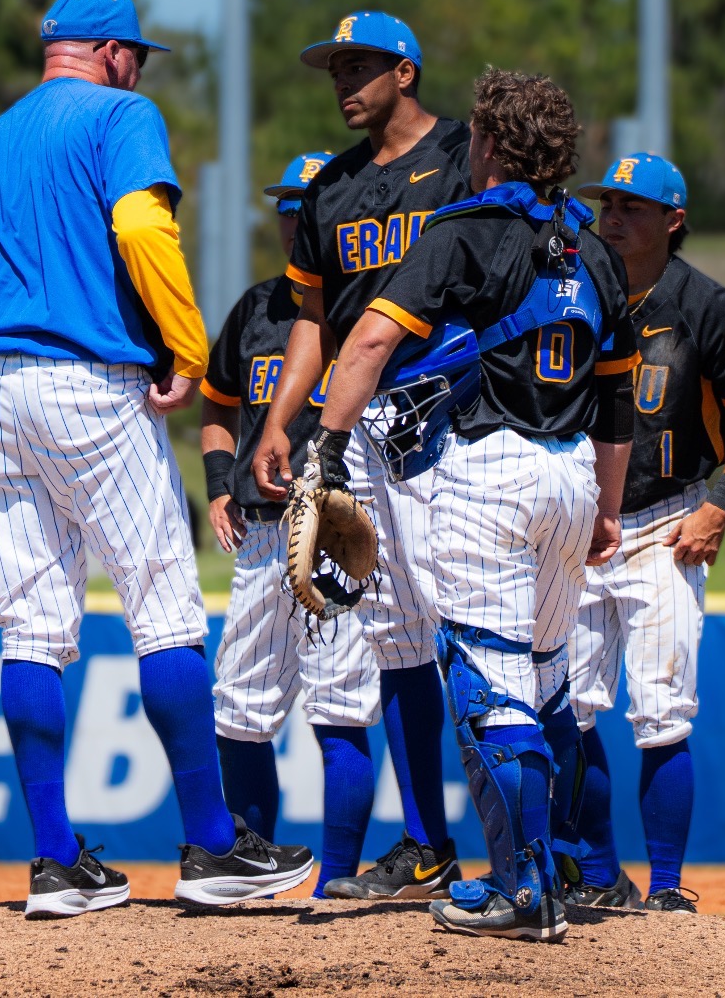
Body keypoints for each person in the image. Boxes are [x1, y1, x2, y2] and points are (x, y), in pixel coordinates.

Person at [0, 0, 311, 918]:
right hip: (92, 381)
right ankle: (214, 847)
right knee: (165, 608)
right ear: (108, 51)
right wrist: (185, 344)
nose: (137, 65)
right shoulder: (121, 113)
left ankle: (56, 862)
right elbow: (140, 226)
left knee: (31, 630)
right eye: (133, 51)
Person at [304, 68, 637, 941]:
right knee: (552, 681)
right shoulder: (594, 248)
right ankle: (558, 865)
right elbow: (616, 398)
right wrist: (607, 506)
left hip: (489, 471)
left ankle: (525, 890)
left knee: (492, 685)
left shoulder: (463, 230)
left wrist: (328, 449)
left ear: (488, 143)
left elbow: (372, 338)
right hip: (570, 475)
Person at [251, 12, 473, 901]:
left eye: (361, 66)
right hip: (368, 423)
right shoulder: (331, 189)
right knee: (395, 634)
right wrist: (280, 419)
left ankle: (558, 849)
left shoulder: (466, 156)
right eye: (335, 68)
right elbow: (315, 319)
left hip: (463, 414)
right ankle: (427, 846)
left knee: (492, 629)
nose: (343, 81)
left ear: (407, 71)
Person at [559, 154, 725, 912]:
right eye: (606, 205)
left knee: (660, 712)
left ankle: (666, 888)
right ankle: (593, 873)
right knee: (569, 703)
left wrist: (720, 504)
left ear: (673, 221)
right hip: (581, 525)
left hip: (666, 524)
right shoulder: (576, 295)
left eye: (632, 208)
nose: (612, 218)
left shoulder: (707, 306)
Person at [203, 151, 387, 897]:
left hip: (340, 522)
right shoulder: (255, 309)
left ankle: (337, 880)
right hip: (261, 529)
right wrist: (219, 482)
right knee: (240, 704)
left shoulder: (372, 311)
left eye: (305, 205)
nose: (292, 219)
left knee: (341, 703)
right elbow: (217, 402)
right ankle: (252, 866)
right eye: (285, 206)